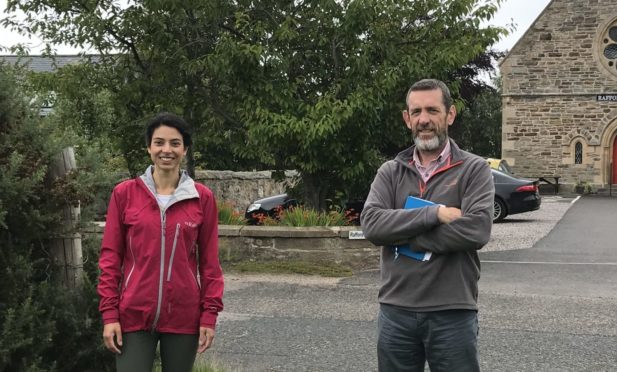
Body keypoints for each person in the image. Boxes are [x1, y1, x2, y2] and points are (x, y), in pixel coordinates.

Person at [360, 79, 494, 372]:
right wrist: (435, 214)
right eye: (416, 111)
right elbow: (371, 224)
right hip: (396, 310)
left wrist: (406, 238)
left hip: (452, 312)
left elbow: (476, 230)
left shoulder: (474, 169)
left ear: (450, 114)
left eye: (432, 110)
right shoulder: (391, 171)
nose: (424, 120)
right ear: (407, 118)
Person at [97, 112, 224, 372]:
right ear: (149, 147)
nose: (167, 150)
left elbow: (210, 264)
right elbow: (111, 258)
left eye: (175, 143)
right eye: (159, 142)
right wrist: (110, 314)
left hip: (183, 317)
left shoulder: (202, 198)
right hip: (133, 314)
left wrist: (209, 315)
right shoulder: (124, 194)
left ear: (185, 149)